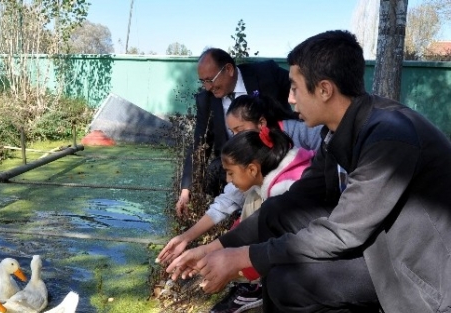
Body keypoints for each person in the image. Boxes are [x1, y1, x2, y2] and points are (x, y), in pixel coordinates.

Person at [167, 30, 451, 313]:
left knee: (287, 283)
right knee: (278, 216)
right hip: (376, 246)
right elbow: (293, 202)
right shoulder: (337, 133)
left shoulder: (388, 137)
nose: (290, 99)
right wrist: (216, 247)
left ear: (325, 90)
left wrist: (242, 257)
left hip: (414, 273)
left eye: (295, 88)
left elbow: (343, 233)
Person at [158, 93, 321, 312]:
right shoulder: (265, 169)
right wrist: (203, 248)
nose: (228, 180)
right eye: (232, 132)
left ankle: (255, 287)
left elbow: (277, 246)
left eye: (239, 131)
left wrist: (233, 268)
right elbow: (245, 222)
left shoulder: (285, 187)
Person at [177, 48, 292, 217]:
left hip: (276, 153)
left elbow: (302, 87)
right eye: (203, 81)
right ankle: (232, 216)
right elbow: (199, 142)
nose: (208, 87)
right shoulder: (206, 100)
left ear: (229, 70)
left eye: (210, 80)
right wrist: (186, 190)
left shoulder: (266, 73)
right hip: (239, 164)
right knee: (215, 170)